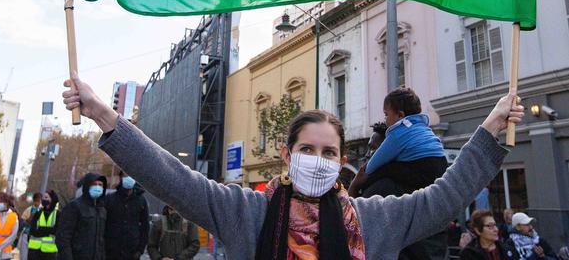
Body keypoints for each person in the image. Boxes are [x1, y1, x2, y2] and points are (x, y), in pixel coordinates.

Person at [62, 72, 524, 260]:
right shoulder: (248, 211)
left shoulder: (377, 218)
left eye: (328, 153)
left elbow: (445, 194)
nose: (318, 161)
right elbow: (173, 179)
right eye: (308, 150)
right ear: (287, 155)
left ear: (342, 162)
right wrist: (107, 116)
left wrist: (488, 130)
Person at [349, 87, 449, 260]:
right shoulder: (422, 129)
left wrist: (356, 184)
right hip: (438, 165)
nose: (367, 155)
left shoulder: (397, 136)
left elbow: (370, 168)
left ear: (400, 115)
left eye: (386, 115)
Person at [56, 173, 107, 260]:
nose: (97, 187)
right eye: (94, 184)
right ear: (87, 185)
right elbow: (63, 237)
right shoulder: (74, 206)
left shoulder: (102, 210)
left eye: (100, 185)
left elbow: (101, 240)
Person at [105, 171, 149, 260]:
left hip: (132, 251)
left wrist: (140, 250)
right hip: (111, 251)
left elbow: (145, 226)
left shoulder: (141, 200)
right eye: (125, 176)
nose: (128, 178)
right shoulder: (110, 198)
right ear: (121, 179)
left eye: (131, 175)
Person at [27, 191, 59, 260]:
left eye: (46, 197)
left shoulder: (58, 214)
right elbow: (33, 231)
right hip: (34, 251)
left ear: (52, 199)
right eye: (43, 197)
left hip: (50, 252)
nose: (44, 199)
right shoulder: (38, 213)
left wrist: (40, 229)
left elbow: (57, 231)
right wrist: (48, 231)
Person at [20, 193, 42, 260]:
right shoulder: (28, 210)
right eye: (35, 201)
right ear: (33, 201)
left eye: (38, 201)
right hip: (27, 234)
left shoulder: (43, 210)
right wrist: (31, 216)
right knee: (24, 255)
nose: (37, 203)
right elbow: (22, 222)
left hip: (37, 236)